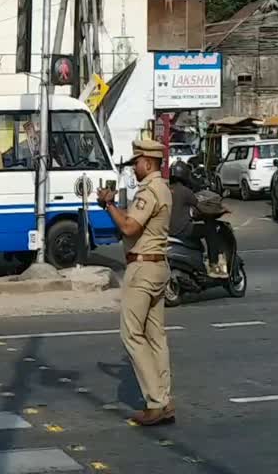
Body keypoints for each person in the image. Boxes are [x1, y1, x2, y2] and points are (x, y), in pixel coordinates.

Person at [97, 139, 175, 426]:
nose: (134, 169)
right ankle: (164, 399)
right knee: (156, 336)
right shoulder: (163, 188)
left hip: (142, 269)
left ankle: (155, 401)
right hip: (158, 266)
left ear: (147, 162)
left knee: (131, 334)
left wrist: (108, 204)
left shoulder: (149, 191)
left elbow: (130, 225)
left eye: (136, 163)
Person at [168, 161, 227, 278]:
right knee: (210, 229)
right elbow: (201, 208)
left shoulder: (166, 190)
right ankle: (213, 265)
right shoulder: (185, 191)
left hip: (168, 231)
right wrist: (221, 210)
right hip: (183, 230)